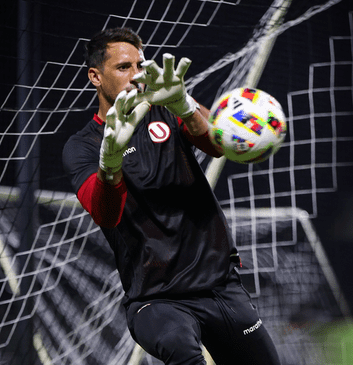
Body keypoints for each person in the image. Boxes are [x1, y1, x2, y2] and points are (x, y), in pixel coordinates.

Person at [62, 27, 280, 365]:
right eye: (123, 67)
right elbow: (105, 214)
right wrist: (110, 163)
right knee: (184, 354)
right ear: (95, 76)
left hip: (220, 286)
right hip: (157, 300)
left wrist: (186, 105)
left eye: (140, 64)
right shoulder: (84, 146)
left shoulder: (165, 110)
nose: (136, 75)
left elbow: (218, 143)